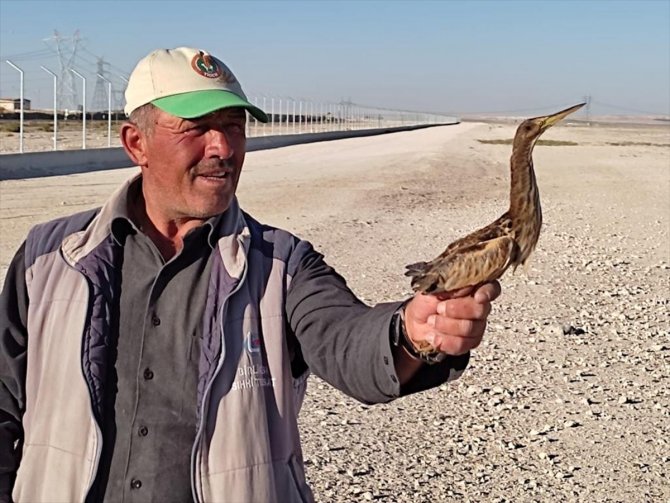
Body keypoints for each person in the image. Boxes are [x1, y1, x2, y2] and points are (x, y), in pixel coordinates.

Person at [0, 47, 500, 502]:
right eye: (197, 127)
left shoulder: (283, 265)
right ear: (137, 144)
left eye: (234, 126)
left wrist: (414, 333)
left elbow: (348, 341)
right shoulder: (47, 258)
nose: (223, 146)